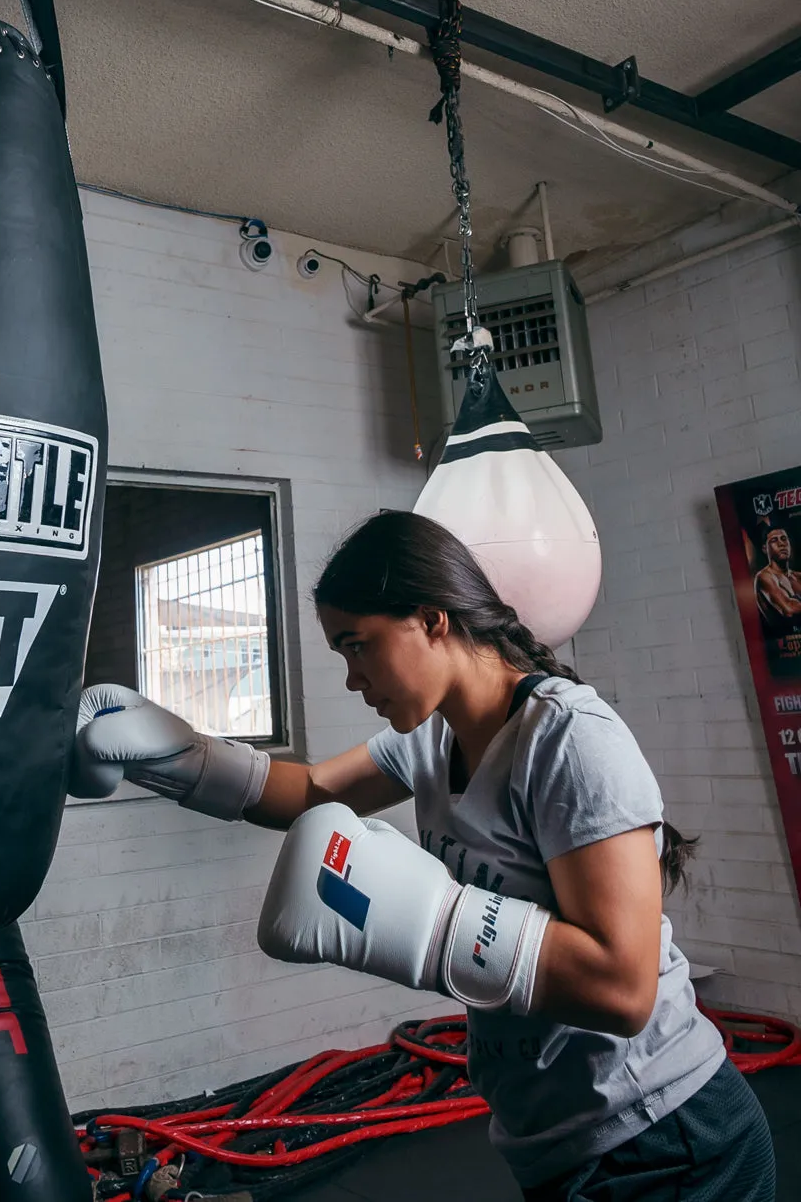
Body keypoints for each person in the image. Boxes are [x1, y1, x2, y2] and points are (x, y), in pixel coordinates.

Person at [71, 511, 775, 1201]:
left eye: (358, 644)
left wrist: (438, 925)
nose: (352, 677)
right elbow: (308, 791)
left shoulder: (568, 738)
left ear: (432, 619)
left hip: (668, 1138)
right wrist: (179, 755)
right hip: (556, 1142)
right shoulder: (432, 742)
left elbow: (624, 988)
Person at [754, 522, 801, 635]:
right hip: (784, 645)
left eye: (784, 539)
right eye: (774, 540)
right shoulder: (764, 577)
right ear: (765, 549)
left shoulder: (798, 576)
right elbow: (789, 609)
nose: (781, 544)